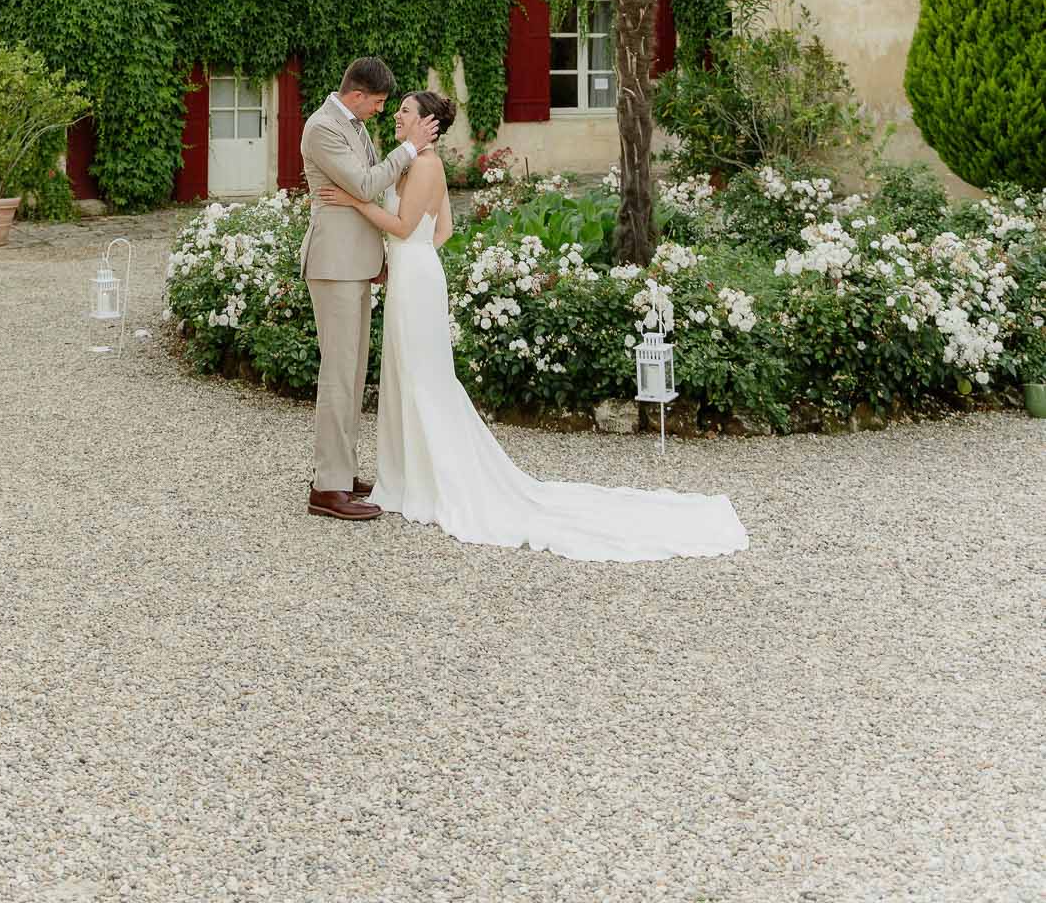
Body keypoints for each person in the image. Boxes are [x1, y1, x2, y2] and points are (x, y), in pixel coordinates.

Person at [318, 89, 749, 563]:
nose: (396, 116)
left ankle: (427, 478)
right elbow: (443, 232)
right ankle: (404, 472)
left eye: (404, 111)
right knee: (409, 375)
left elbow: (403, 228)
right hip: (414, 275)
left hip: (415, 280)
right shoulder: (413, 164)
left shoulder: (424, 166)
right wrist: (414, 254)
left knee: (423, 379)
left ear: (427, 124)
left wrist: (359, 207)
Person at [298, 57, 439, 522]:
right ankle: (327, 487)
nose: (381, 111)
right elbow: (363, 183)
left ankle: (342, 471)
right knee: (338, 373)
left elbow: (367, 191)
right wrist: (411, 150)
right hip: (333, 265)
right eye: (378, 102)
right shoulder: (322, 128)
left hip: (355, 262)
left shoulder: (353, 125)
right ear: (357, 95)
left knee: (353, 372)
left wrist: (378, 256)